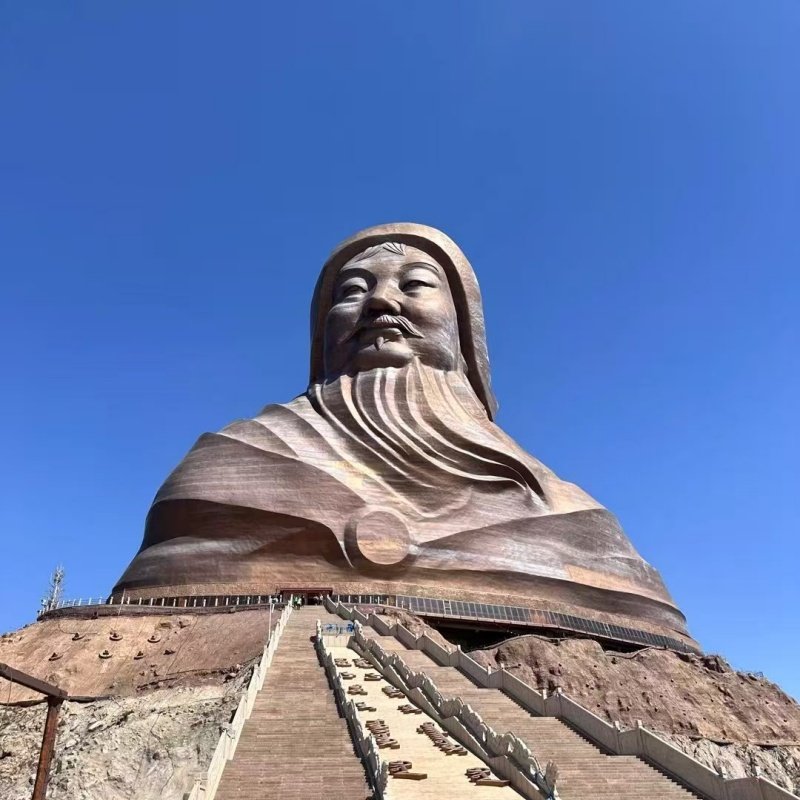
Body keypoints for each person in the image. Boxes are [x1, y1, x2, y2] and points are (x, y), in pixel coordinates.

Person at [114, 223, 691, 645]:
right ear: (323, 337)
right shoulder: (236, 460)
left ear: (463, 333)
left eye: (415, 285)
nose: (382, 302)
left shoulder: (560, 508)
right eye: (352, 291)